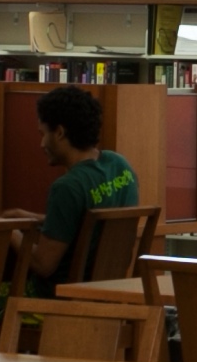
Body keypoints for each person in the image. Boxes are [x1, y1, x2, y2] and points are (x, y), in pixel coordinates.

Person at [35, 85, 140, 281]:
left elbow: (43, 265)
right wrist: (34, 218)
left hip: (61, 297)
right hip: (110, 290)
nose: (42, 144)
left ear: (59, 132)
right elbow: (87, 223)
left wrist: (9, 232)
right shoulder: (121, 166)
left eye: (43, 134)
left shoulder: (67, 187)